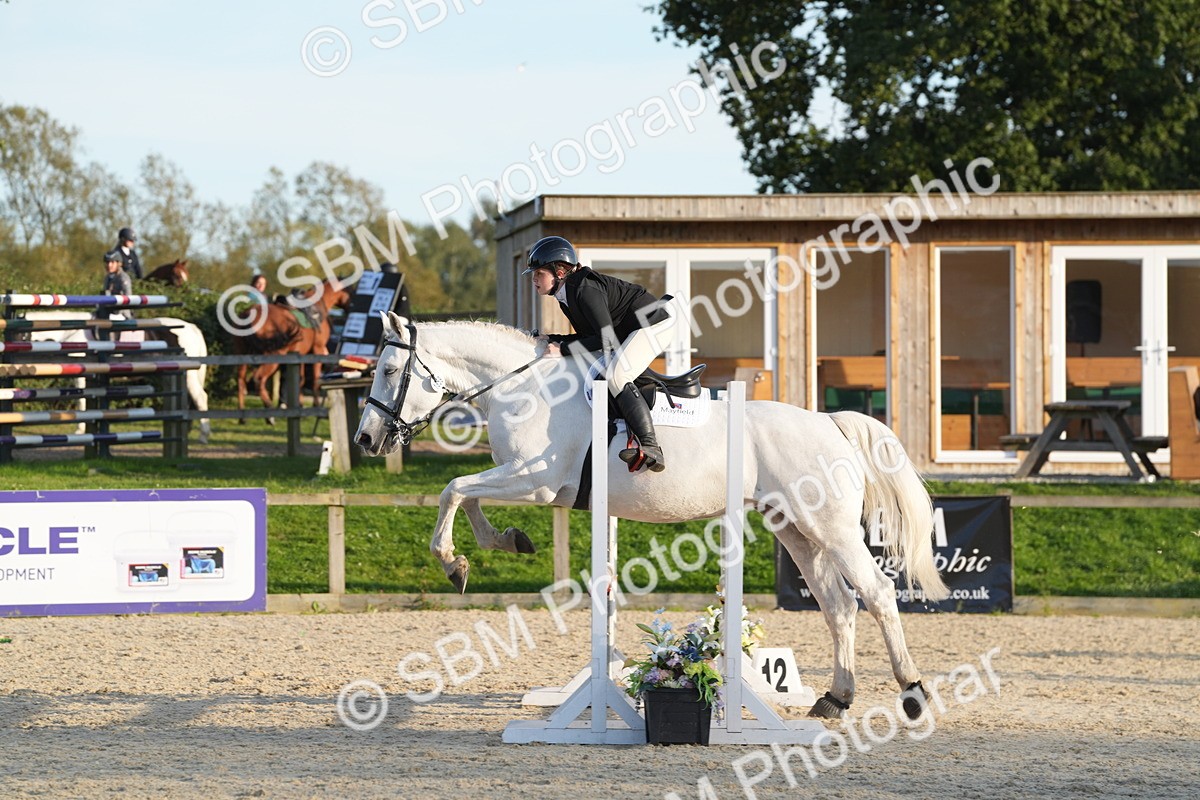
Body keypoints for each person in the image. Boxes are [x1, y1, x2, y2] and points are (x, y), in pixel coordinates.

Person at [524, 235, 674, 472]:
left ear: (560, 271)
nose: (533, 279)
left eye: (539, 272)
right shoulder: (566, 294)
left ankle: (651, 445)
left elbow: (605, 340)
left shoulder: (584, 290)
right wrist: (554, 340)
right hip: (629, 331)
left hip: (653, 326)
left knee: (616, 376)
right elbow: (590, 337)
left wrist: (562, 349)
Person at [99, 250, 132, 319]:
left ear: (118, 263)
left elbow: (128, 298)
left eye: (112, 262)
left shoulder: (123, 277)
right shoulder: (107, 277)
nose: (109, 265)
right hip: (108, 311)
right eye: (107, 262)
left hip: (122, 314)